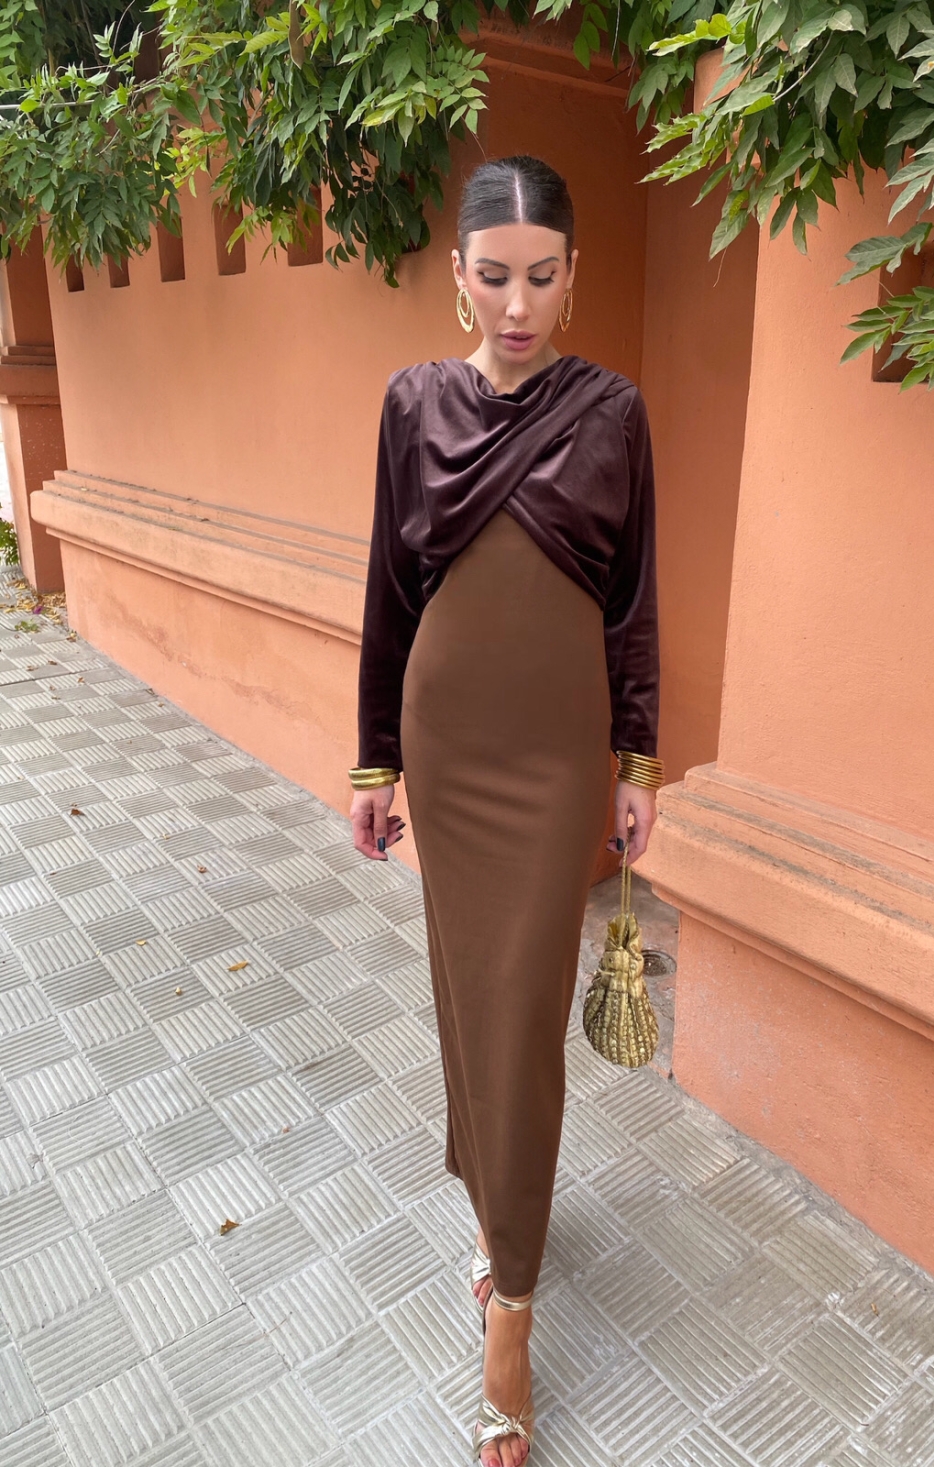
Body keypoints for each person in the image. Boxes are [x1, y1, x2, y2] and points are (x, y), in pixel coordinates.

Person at [350, 154, 662, 1467]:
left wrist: (638, 759)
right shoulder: (413, 403)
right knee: (469, 994)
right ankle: (495, 1221)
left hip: (554, 757)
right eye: (494, 277)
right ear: (457, 276)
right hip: (448, 740)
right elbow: (388, 585)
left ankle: (512, 1313)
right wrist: (373, 762)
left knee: (526, 1011)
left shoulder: (614, 412)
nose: (517, 305)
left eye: (541, 277)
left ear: (573, 274)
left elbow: (635, 596)